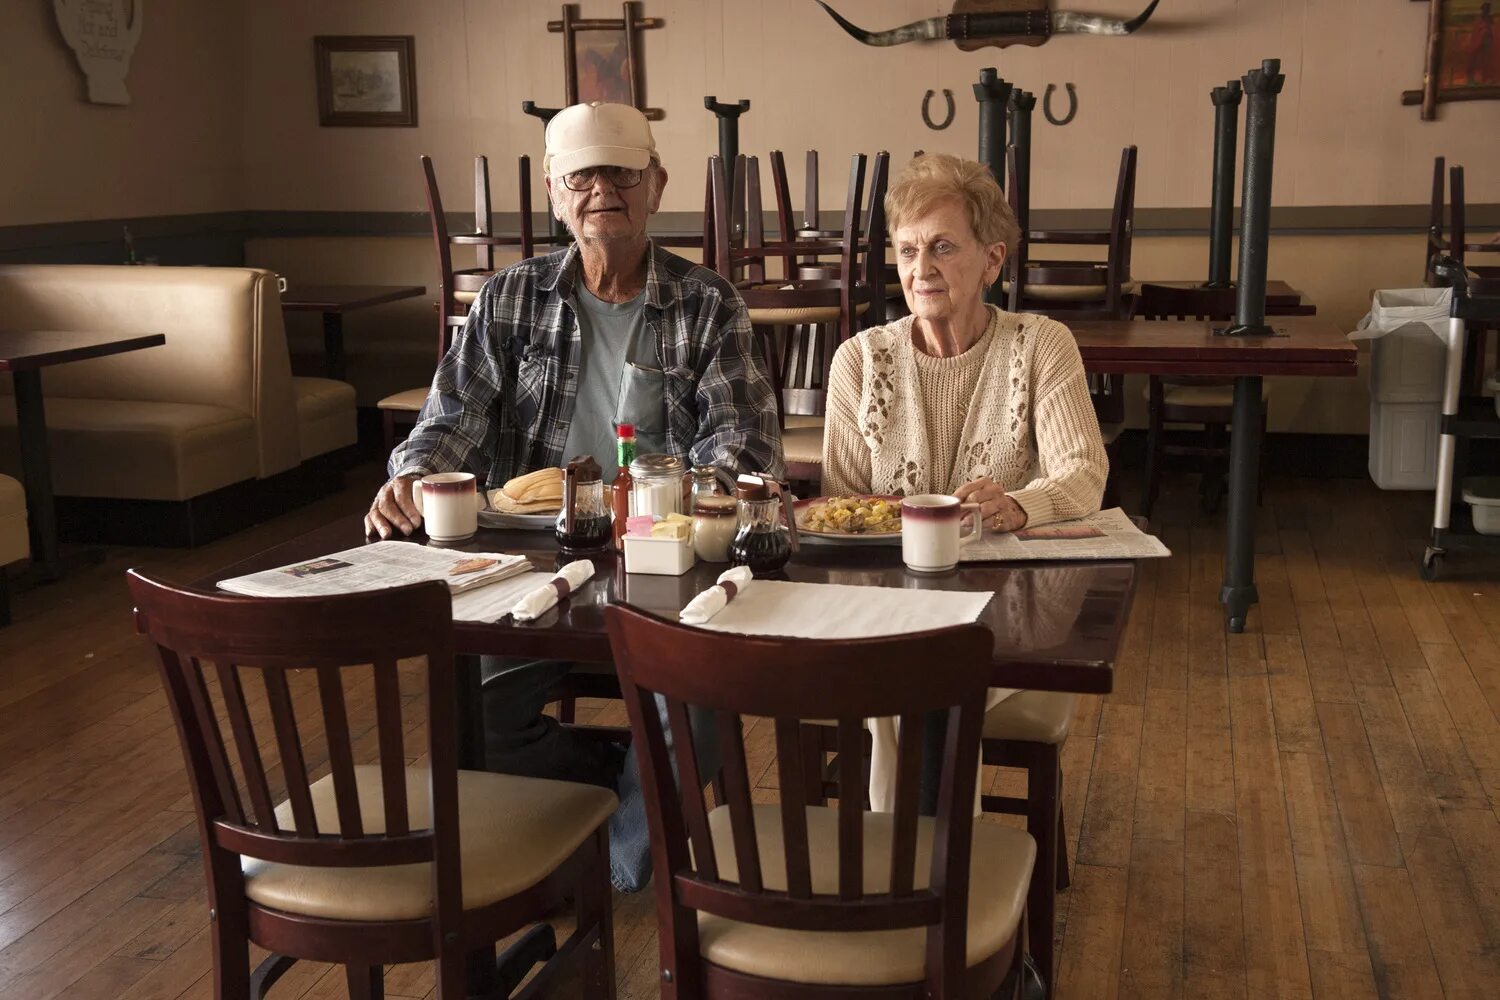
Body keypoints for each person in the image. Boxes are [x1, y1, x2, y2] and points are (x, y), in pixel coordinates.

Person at [364, 102, 784, 889]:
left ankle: (614, 867)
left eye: (622, 172)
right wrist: (413, 476)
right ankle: (615, 787)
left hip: (669, 562)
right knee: (474, 711)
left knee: (695, 700)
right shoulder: (508, 299)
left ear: (655, 185)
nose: (602, 190)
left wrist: (678, 499)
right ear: (557, 195)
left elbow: (741, 446)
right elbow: (448, 420)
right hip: (529, 564)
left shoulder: (708, 302)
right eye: (580, 176)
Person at [820, 152, 1107, 810]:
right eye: (908, 250)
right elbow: (838, 509)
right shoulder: (861, 360)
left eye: (943, 247)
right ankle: (944, 882)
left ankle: (913, 880)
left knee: (926, 681)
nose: (921, 270)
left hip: (1006, 611)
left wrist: (1018, 505)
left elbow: (1083, 475)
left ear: (993, 261)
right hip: (886, 608)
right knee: (913, 674)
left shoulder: (1042, 343)